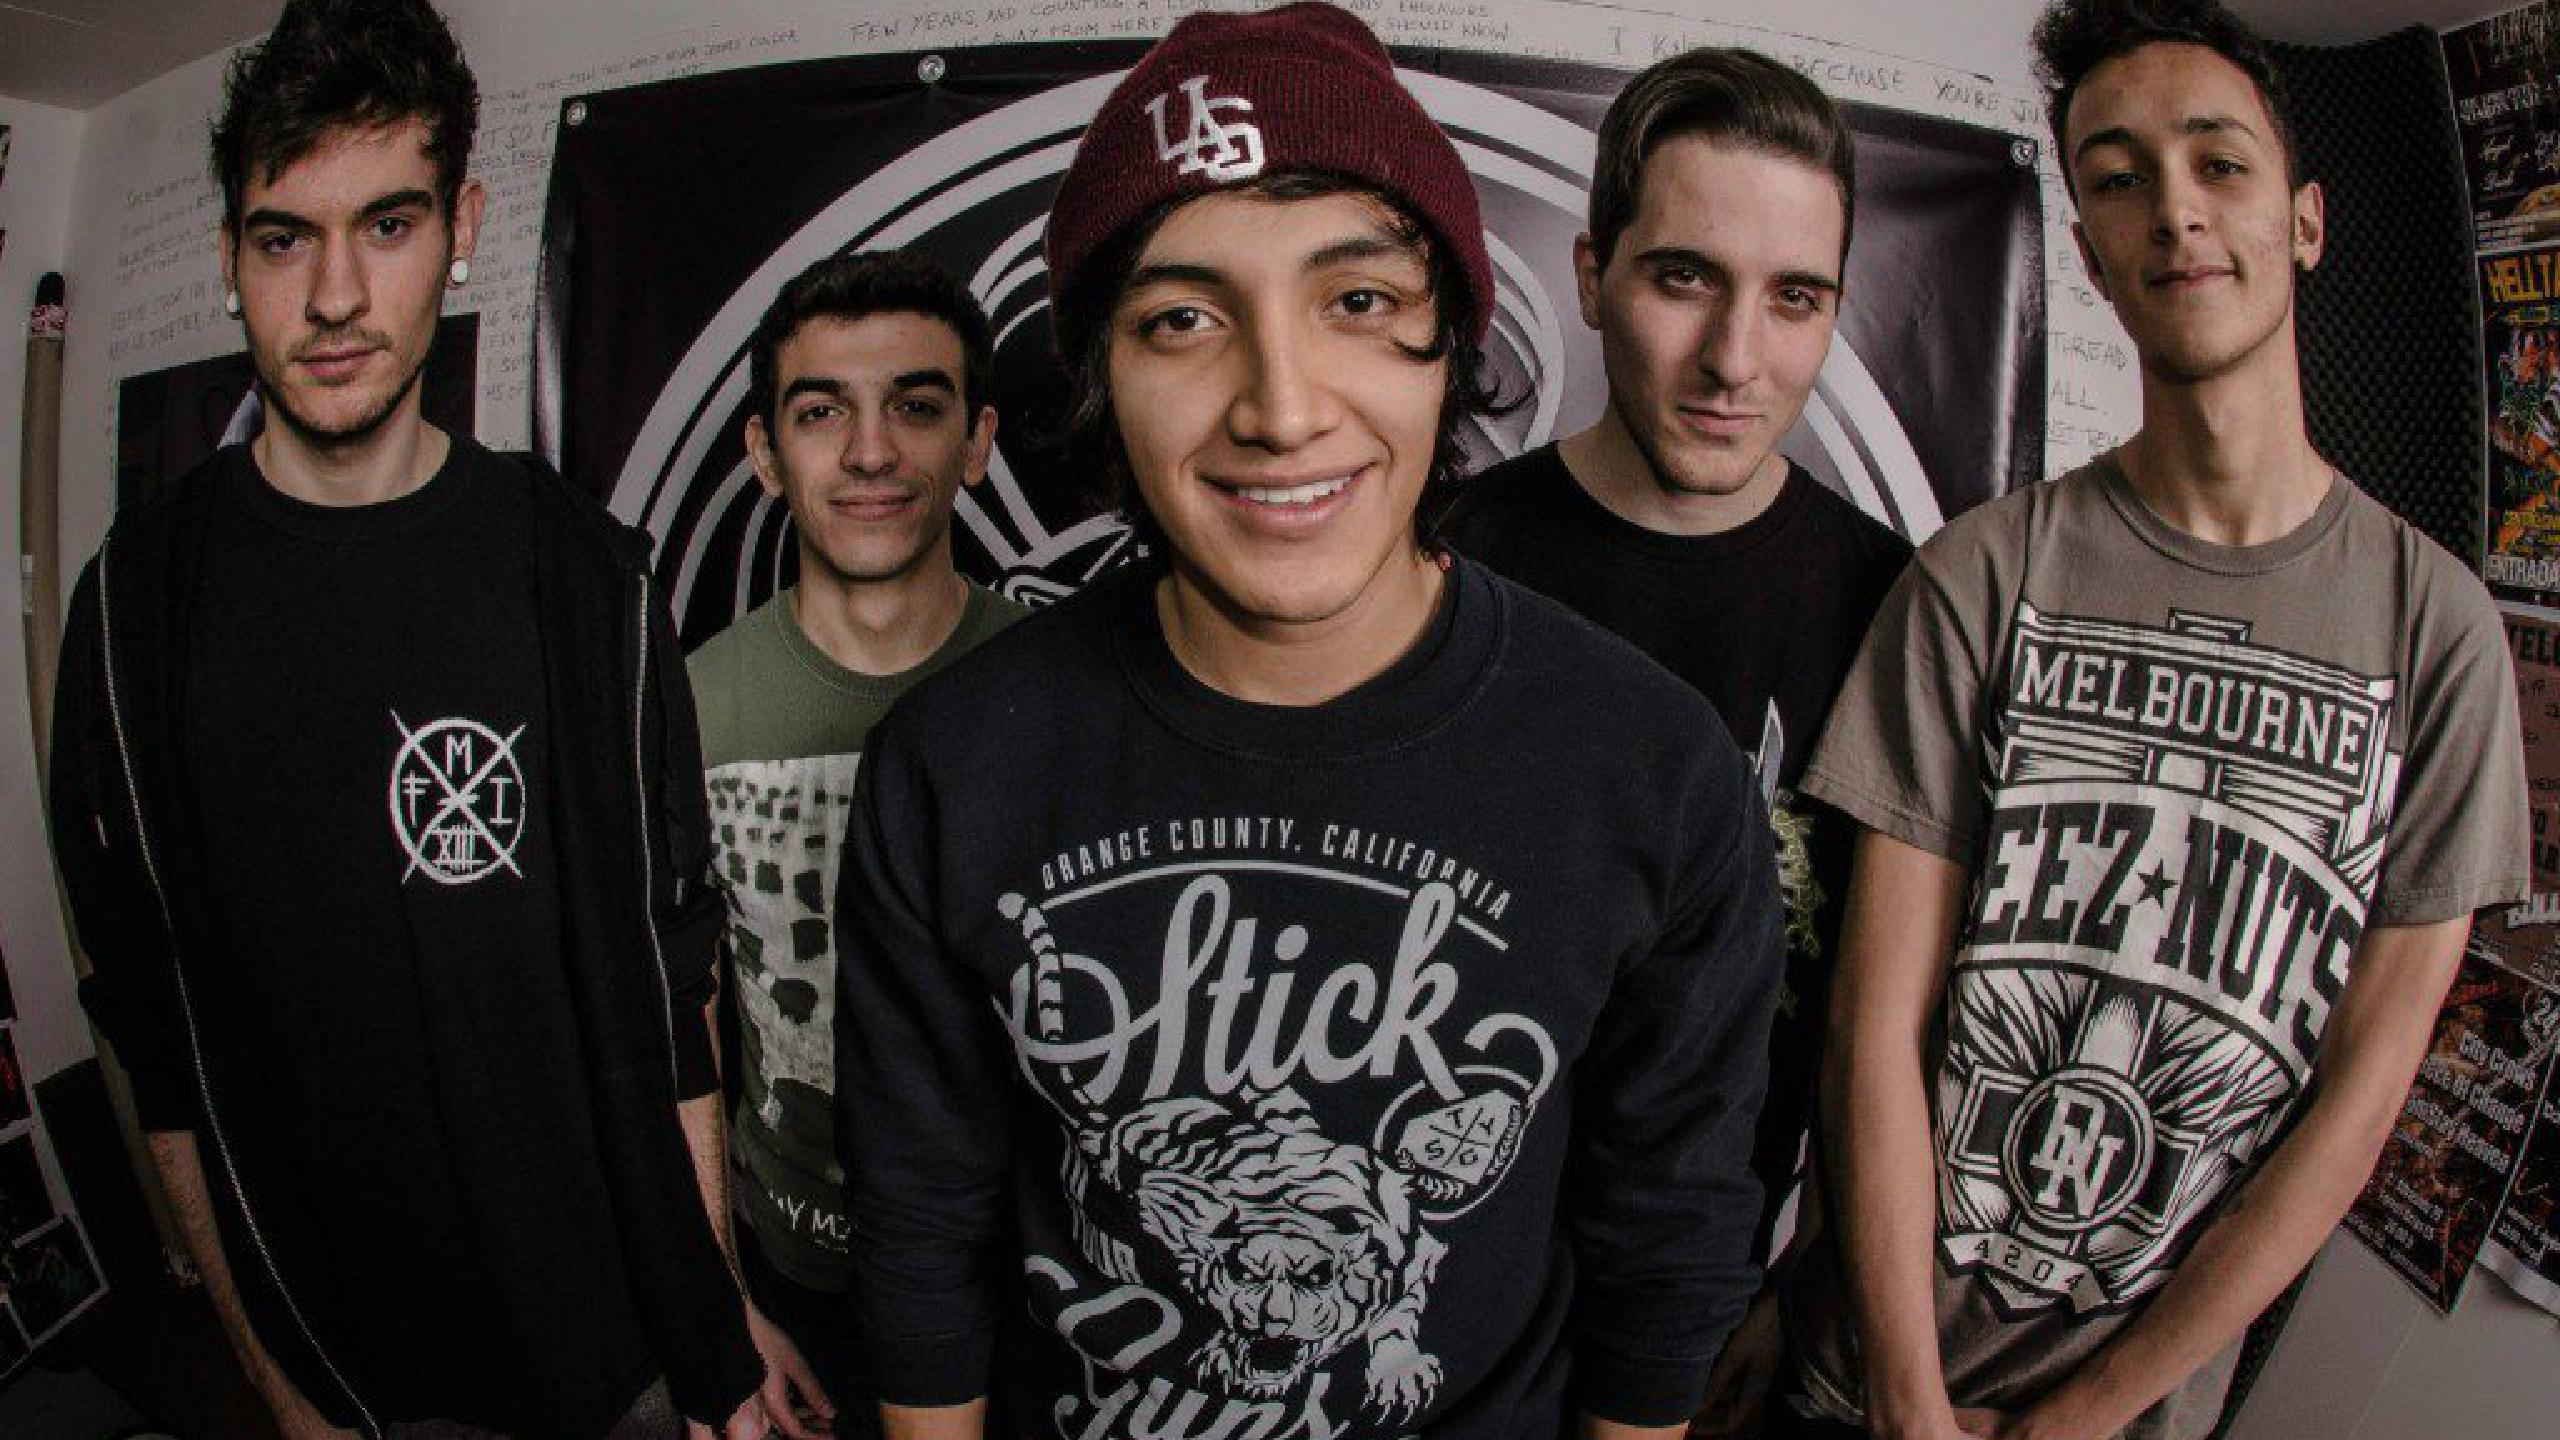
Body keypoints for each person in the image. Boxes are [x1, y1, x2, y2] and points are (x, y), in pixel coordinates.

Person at [830, 5, 1785, 1438]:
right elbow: (920, 1235)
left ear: (1448, 343)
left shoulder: (1653, 770)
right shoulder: (954, 766)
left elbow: (1669, 1255)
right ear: (1102, 380)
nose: (1280, 409)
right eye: (1182, 320)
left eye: (1357, 301)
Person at [1780, 3, 2530, 1438]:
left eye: (2218, 164)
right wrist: (1907, 1401)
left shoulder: (2438, 634)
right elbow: (1875, 1025)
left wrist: (2084, 1419)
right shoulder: (1980, 576)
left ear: (2304, 221)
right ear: (2088, 253)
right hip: (1860, 1383)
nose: (2174, 211)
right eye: (2120, 179)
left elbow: (2358, 1107)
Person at [48, 2, 769, 1436]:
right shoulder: (136, 610)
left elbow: (672, 997)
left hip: (618, 1354)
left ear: (461, 230)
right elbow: (154, 1033)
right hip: (347, 1380)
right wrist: (276, 1385)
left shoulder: (586, 585)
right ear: (229, 257)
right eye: (283, 239)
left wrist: (715, 1350)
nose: (334, 297)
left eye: (386, 225)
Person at [1437, 50, 1909, 1435]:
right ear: (1591, 277)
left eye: (1794, 299)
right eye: (1684, 278)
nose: (1734, 361)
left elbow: (1889, 1013)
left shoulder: (1895, 610)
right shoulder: (1441, 563)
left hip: (1697, 1314)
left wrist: (1806, 1280)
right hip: (1426, 1287)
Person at [688, 249, 1030, 1440]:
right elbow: (685, 1024)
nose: (871, 452)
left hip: (1024, 1281)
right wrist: (723, 1300)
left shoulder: (1066, 696)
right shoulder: (688, 708)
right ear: (764, 452)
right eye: (821, 411)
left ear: (977, 442)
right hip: (796, 1281)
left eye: (916, 406)